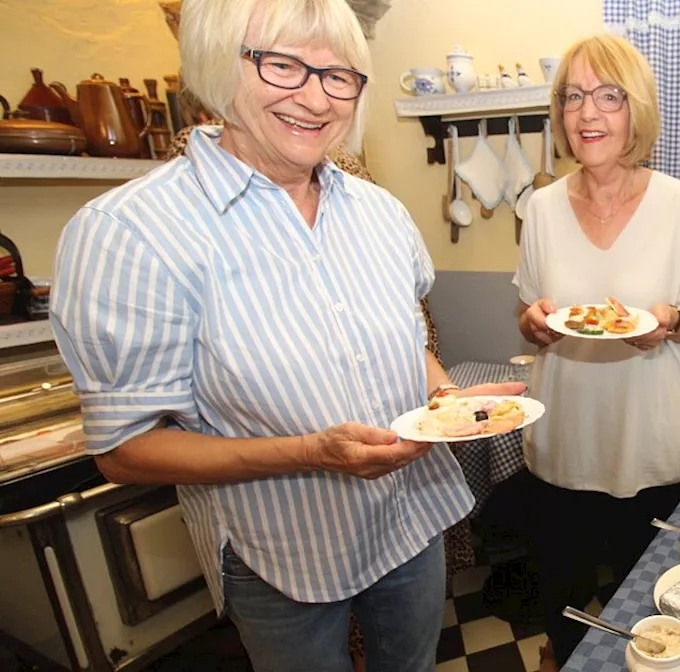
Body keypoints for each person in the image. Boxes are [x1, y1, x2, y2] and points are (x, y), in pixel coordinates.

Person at [48, 1, 521, 670]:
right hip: (280, 549)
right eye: (282, 65)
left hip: (409, 523)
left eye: (339, 75)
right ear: (218, 66)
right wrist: (312, 452)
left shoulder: (379, 213)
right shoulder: (131, 233)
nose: (316, 97)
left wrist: (446, 403)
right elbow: (125, 450)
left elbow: (406, 344)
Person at [513, 35, 680, 670]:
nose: (587, 114)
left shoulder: (678, 202)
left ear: (636, 110)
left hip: (652, 438)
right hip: (565, 439)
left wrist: (670, 320)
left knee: (657, 607)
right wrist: (534, 324)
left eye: (608, 96)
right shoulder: (541, 208)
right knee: (564, 598)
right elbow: (532, 315)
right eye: (572, 97)